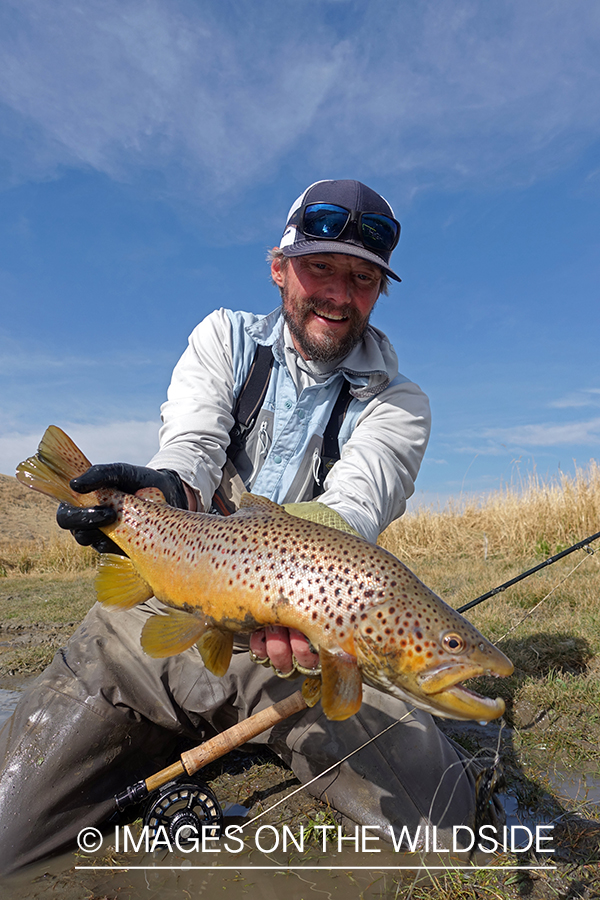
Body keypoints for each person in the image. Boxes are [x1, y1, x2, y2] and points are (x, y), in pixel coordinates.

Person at [0, 179, 486, 875]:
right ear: (278, 267)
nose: (340, 295)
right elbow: (191, 445)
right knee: (6, 838)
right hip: (166, 613)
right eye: (320, 267)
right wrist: (164, 491)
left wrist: (295, 590)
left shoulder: (399, 404)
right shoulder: (223, 338)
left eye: (362, 277)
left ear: (379, 289)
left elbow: (352, 510)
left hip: (308, 655)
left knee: (445, 824)